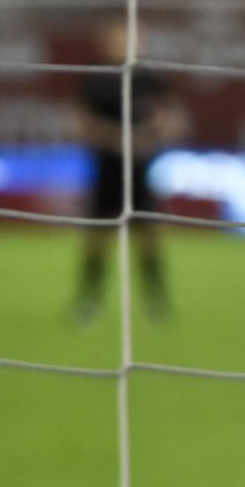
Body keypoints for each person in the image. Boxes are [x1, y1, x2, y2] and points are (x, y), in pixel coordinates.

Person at [72, 17, 184, 323]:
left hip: (140, 170)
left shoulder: (149, 78)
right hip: (106, 169)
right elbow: (81, 122)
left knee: (149, 238)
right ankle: (87, 302)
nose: (125, 42)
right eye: (118, 36)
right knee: (96, 240)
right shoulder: (94, 79)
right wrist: (114, 139)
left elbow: (172, 120)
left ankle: (157, 303)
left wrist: (147, 135)